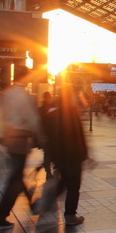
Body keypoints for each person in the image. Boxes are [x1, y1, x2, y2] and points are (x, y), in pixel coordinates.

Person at [0, 65, 45, 230]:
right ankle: (0, 215)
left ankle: (32, 205)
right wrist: (40, 137)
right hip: (20, 138)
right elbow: (32, 119)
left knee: (17, 175)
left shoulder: (6, 93)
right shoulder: (24, 96)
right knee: (15, 178)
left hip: (9, 138)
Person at [40, 86, 88, 225]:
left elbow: (49, 135)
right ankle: (70, 215)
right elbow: (79, 136)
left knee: (64, 182)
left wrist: (53, 156)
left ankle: (45, 202)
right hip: (73, 155)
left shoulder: (53, 113)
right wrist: (85, 154)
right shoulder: (72, 113)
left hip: (60, 156)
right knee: (73, 186)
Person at [39, 91, 55, 178]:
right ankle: (48, 171)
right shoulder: (51, 108)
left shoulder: (40, 109)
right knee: (49, 153)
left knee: (47, 153)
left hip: (44, 134)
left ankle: (47, 168)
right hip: (50, 134)